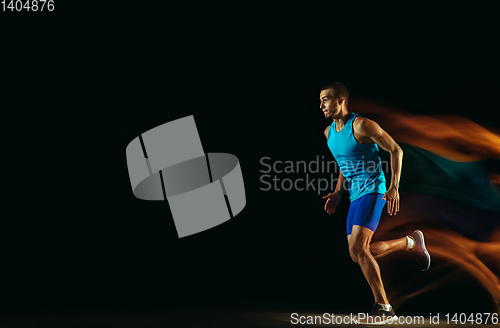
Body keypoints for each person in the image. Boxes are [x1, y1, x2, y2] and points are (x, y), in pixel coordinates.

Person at [320, 82, 431, 324]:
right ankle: (411, 242)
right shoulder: (329, 133)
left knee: (359, 249)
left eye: (326, 100)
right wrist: (339, 192)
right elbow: (344, 163)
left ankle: (384, 308)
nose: (321, 105)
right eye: (320, 101)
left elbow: (395, 150)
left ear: (341, 100)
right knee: (358, 253)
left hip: (374, 189)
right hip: (355, 195)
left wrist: (394, 187)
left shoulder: (361, 125)